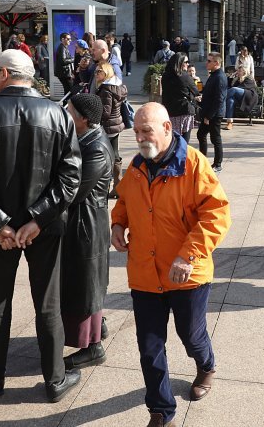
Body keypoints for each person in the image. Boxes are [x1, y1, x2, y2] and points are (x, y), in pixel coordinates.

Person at [0, 48, 83, 402]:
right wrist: (38, 219)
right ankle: (54, 380)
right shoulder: (58, 114)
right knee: (48, 303)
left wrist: (0, 224)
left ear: (3, 74)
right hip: (42, 227)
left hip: (2, 230)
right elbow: (70, 178)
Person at [110, 102, 230, 427]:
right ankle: (161, 413)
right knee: (149, 348)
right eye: (135, 131)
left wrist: (187, 255)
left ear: (167, 128)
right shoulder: (137, 165)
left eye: (145, 130)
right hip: (145, 274)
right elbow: (123, 201)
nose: (139, 137)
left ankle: (206, 365)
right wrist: (118, 225)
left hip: (187, 274)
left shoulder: (193, 164)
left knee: (191, 335)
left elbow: (216, 214)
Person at [62, 93, 113, 369]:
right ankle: (97, 328)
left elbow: (75, 191)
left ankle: (93, 347)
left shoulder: (97, 148)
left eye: (68, 110)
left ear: (83, 119)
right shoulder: (84, 137)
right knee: (84, 284)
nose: (65, 113)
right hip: (81, 223)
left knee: (86, 286)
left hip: (88, 226)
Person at [93, 62, 127, 198]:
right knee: (115, 155)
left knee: (106, 158)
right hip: (116, 124)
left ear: (106, 73)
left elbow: (105, 112)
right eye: (95, 71)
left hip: (108, 126)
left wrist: (92, 114)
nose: (96, 74)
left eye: (98, 71)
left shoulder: (106, 89)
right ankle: (118, 186)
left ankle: (106, 188)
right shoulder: (116, 86)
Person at [197, 52, 228, 172]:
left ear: (217, 63)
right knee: (201, 134)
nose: (207, 63)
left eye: (209, 61)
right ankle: (203, 160)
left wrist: (209, 116)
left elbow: (219, 99)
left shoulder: (220, 77)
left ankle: (217, 164)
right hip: (209, 112)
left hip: (214, 114)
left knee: (215, 139)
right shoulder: (214, 75)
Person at [161, 53, 199, 142]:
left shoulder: (165, 76)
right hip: (184, 111)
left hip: (170, 112)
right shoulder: (185, 76)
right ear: (180, 63)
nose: (188, 64)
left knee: (172, 141)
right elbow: (196, 91)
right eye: (186, 62)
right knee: (184, 141)